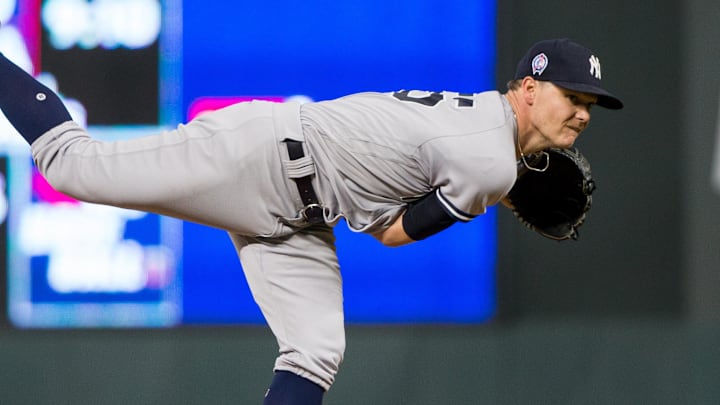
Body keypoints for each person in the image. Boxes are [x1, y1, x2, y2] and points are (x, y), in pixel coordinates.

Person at [0, 37, 622, 404]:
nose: (584, 114)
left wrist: (501, 186)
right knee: (72, 167)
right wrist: (502, 194)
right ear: (530, 89)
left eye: (591, 103)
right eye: (574, 97)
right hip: (260, 159)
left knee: (315, 351)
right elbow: (391, 234)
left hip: (299, 211)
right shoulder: (492, 164)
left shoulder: (487, 125)